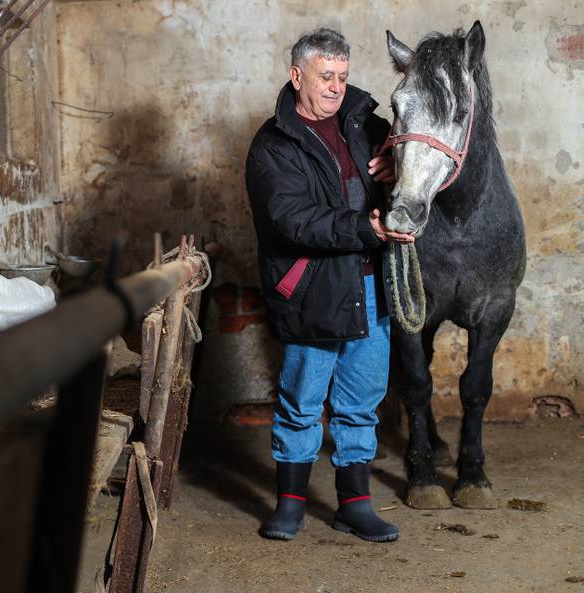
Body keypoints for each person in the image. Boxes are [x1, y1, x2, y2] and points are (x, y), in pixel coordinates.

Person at [245, 28, 414, 543]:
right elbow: (293, 220)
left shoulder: (367, 125)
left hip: (371, 286)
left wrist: (394, 166)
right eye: (326, 76)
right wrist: (367, 228)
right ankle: (290, 504)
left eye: (343, 76)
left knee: (361, 400)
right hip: (312, 286)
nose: (337, 87)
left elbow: (416, 166)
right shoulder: (273, 144)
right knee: (302, 399)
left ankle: (354, 505)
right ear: (297, 76)